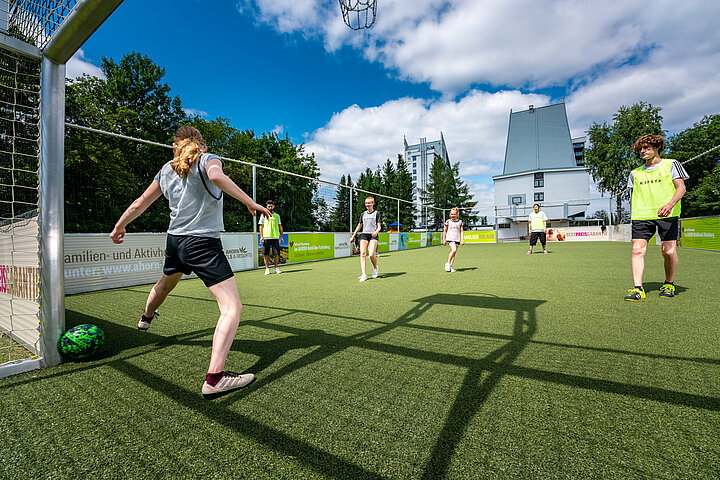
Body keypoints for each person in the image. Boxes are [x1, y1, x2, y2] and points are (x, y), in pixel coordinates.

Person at [109, 126, 271, 399]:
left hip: (176, 242)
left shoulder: (166, 169)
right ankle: (215, 378)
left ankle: (145, 319)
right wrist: (250, 202)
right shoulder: (209, 159)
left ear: (176, 146)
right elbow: (217, 176)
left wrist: (119, 225)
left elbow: (140, 203)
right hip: (202, 243)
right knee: (232, 307)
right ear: (202, 146)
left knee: (165, 284)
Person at [624, 134, 688, 301]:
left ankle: (669, 284)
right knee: (637, 250)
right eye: (640, 149)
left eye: (646, 147)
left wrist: (669, 205)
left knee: (668, 251)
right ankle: (638, 288)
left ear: (657, 147)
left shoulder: (671, 164)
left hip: (668, 213)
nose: (643, 151)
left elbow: (681, 188)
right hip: (641, 214)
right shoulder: (634, 173)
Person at [350, 196, 381, 282]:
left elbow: (379, 227)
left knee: (371, 254)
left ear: (372, 203)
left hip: (373, 235)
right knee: (362, 254)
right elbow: (359, 225)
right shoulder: (363, 214)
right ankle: (364, 274)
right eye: (366, 203)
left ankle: (375, 268)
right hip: (364, 235)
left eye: (369, 203)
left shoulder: (376, 213)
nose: (367, 205)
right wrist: (353, 236)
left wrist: (376, 232)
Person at [259, 200, 284, 275]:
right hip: (266, 237)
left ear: (274, 206)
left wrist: (281, 237)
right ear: (266, 207)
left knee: (276, 253)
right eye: (268, 206)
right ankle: (267, 269)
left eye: (271, 206)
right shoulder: (263, 215)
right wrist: (261, 236)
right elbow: (261, 226)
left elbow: (280, 226)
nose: (270, 207)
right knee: (266, 253)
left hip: (275, 237)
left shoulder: (277, 216)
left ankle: (276, 268)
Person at [442, 207, 464, 272]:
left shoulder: (460, 222)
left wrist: (462, 239)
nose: (453, 216)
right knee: (453, 249)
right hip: (450, 238)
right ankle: (448, 263)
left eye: (454, 214)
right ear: (449, 215)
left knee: (454, 253)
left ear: (457, 214)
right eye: (451, 214)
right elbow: (445, 231)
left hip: (457, 239)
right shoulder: (448, 221)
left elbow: (461, 231)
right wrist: (444, 239)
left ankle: (451, 267)